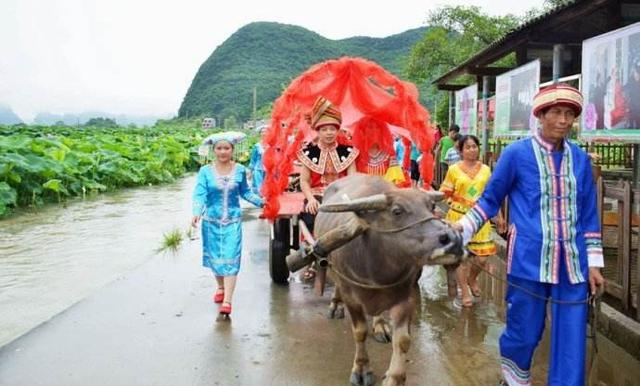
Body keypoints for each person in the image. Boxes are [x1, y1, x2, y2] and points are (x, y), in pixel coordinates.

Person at [454, 84, 605, 385]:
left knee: (572, 337)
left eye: (569, 114)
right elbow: (489, 200)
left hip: (573, 265)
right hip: (528, 260)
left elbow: (589, 213)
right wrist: (462, 230)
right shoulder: (516, 155)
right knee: (524, 331)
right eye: (556, 113)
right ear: (541, 115)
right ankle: (514, 379)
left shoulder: (580, 160)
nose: (563, 120)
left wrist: (594, 263)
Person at [191, 132, 264, 317]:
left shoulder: (239, 169)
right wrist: (196, 212)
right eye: (219, 148)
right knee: (215, 259)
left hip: (232, 221)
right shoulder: (205, 171)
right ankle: (220, 286)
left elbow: (245, 192)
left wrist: (262, 202)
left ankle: (227, 300)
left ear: (233, 150)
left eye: (227, 148)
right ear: (213, 150)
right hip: (211, 222)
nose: (223, 152)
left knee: (231, 259)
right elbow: (199, 194)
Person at [297, 96, 358, 280]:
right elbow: (304, 181)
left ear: (337, 130)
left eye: (332, 129)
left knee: (356, 222)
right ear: (318, 131)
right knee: (309, 219)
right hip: (317, 196)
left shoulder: (348, 152)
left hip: (342, 196)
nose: (329, 133)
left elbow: (353, 179)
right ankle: (311, 260)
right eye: (325, 129)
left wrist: (349, 198)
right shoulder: (309, 153)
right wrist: (311, 199)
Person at [440, 135, 504, 307]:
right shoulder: (453, 170)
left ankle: (472, 279)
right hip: (458, 218)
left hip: (480, 218)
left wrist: (498, 216)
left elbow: (491, 195)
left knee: (482, 258)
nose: (472, 150)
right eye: (467, 147)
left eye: (474, 146)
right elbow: (444, 191)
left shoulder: (485, 170)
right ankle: (465, 292)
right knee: (460, 257)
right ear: (460, 151)